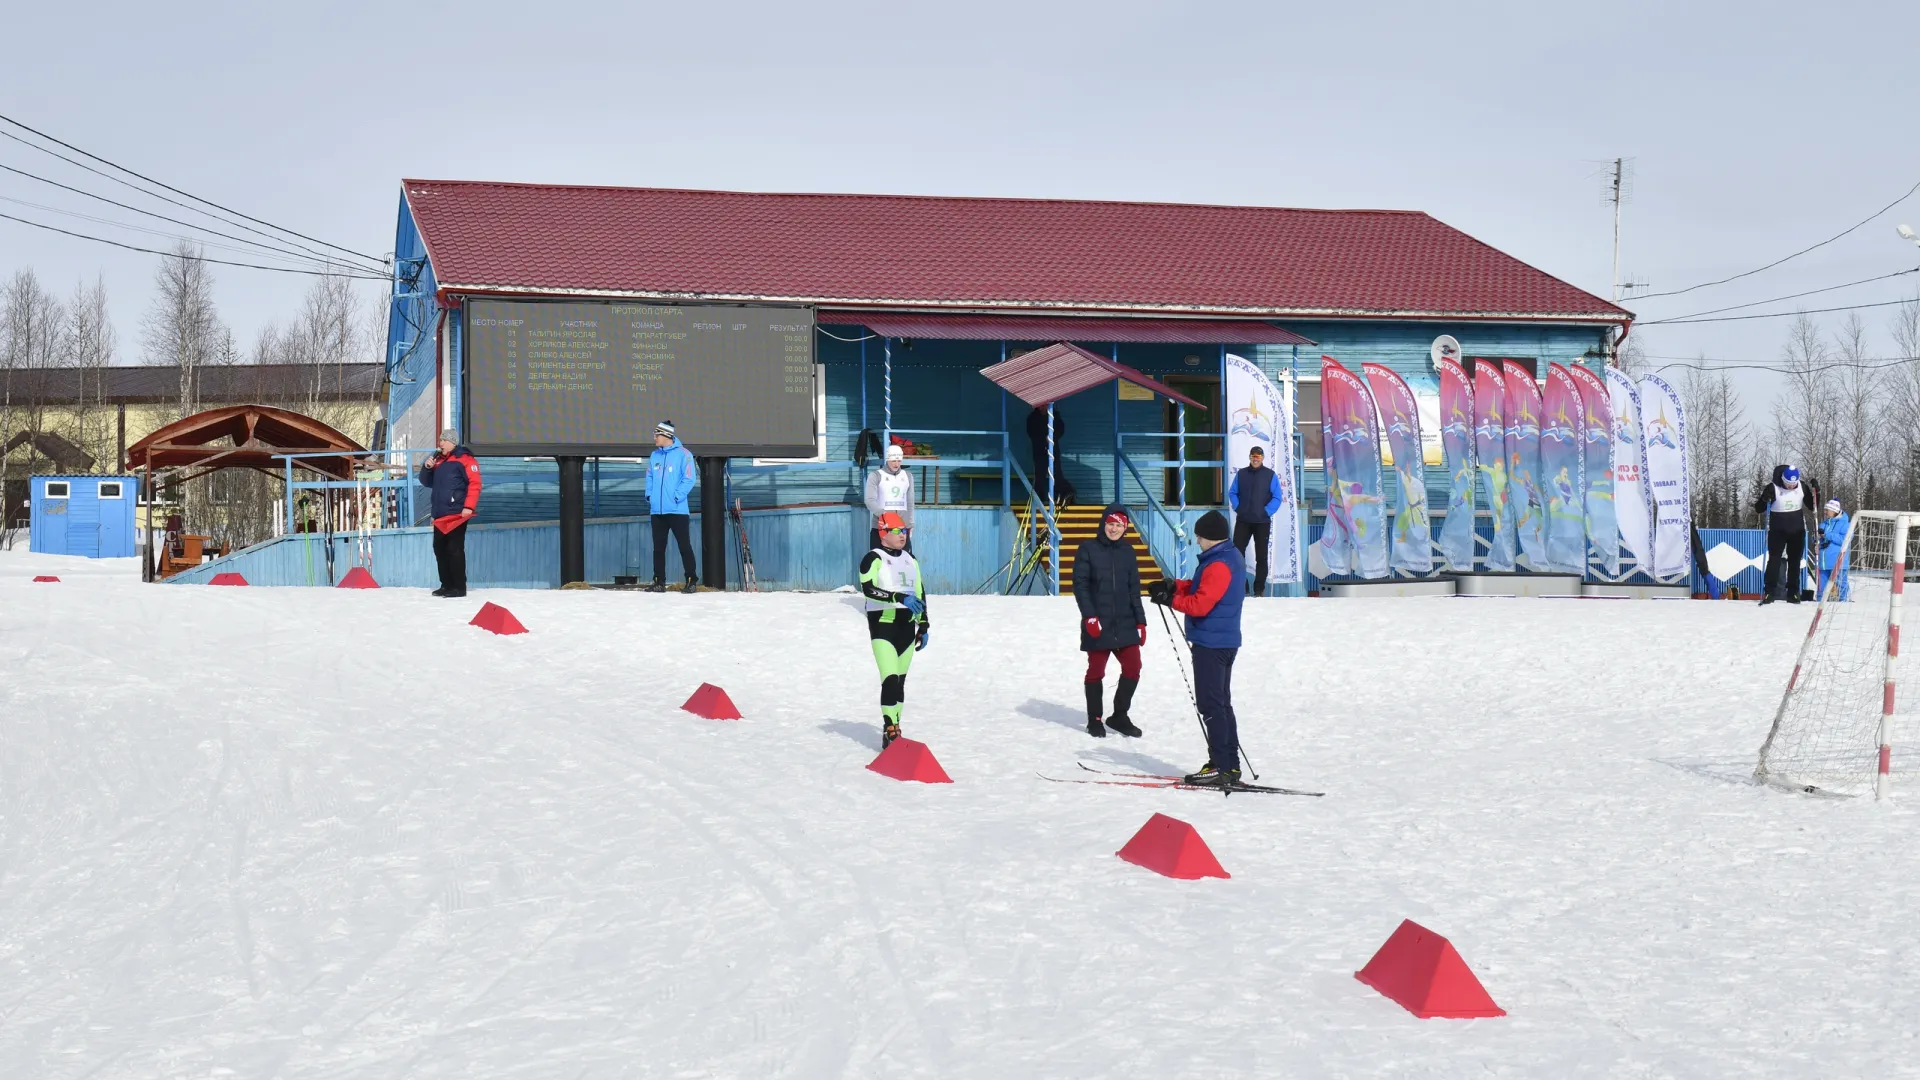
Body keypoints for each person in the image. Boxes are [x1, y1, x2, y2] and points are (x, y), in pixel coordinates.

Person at [1147, 510, 1245, 787]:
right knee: (1221, 704)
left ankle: (1222, 767)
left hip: (1211, 644)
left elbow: (1201, 604)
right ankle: (1228, 765)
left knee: (1212, 705)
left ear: (1210, 537)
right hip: (1221, 641)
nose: (1197, 540)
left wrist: (1170, 600)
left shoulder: (1218, 564)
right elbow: (1202, 588)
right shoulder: (1228, 556)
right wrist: (1174, 585)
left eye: (1199, 536)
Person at [1073, 504, 1147, 739]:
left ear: (1124, 528)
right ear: (1103, 523)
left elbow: (1134, 589)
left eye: (1118, 525)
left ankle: (1119, 716)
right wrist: (1090, 616)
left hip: (1124, 622)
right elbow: (1080, 586)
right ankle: (1094, 718)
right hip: (1099, 622)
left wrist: (1140, 621)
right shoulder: (1088, 549)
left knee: (1133, 667)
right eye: (1110, 524)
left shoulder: (1128, 552)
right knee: (1096, 670)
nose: (1113, 529)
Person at [859, 511, 929, 748]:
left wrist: (924, 624)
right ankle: (891, 728)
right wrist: (898, 597)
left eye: (905, 530)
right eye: (897, 531)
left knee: (899, 683)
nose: (903, 535)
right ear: (883, 534)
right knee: (889, 679)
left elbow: (920, 593)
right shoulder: (873, 558)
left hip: (907, 628)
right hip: (883, 626)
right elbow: (868, 589)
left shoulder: (911, 560)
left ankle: (895, 726)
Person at [418, 428, 481, 598]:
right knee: (439, 548)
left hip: (457, 513)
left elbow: (475, 484)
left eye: (443, 441)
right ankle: (446, 585)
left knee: (454, 549)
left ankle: (459, 587)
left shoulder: (465, 459)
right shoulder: (439, 461)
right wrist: (427, 468)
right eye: (440, 440)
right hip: (440, 513)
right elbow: (426, 482)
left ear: (452, 442)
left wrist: (469, 506)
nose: (440, 444)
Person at [646, 420, 700, 593]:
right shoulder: (654, 456)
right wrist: (650, 496)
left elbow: (689, 479)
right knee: (658, 549)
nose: (654, 437)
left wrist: (676, 496)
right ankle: (658, 582)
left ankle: (691, 581)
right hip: (657, 511)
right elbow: (649, 478)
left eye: (657, 434)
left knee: (684, 546)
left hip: (677, 510)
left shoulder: (684, 454)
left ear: (666, 435)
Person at [1227, 445, 1283, 596]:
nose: (1255, 459)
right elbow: (1232, 493)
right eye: (1253, 456)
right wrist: (1239, 507)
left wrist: (1266, 512)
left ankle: (1259, 589)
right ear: (1250, 458)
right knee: (1237, 554)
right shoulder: (1241, 474)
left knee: (1261, 556)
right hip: (1243, 520)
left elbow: (1277, 497)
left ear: (1263, 458)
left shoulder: (1270, 475)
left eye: (1258, 457)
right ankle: (1242, 587)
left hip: (1262, 522)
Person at [1752, 464, 1808, 605]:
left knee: (1795, 562)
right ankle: (1770, 592)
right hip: (1778, 530)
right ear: (1783, 479)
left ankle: (1793, 593)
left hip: (1797, 530)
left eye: (1793, 484)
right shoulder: (1773, 487)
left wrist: (1816, 493)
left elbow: (1813, 506)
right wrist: (1764, 499)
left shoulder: (1802, 486)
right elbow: (1758, 509)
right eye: (1788, 483)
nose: (1790, 486)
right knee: (1774, 561)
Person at [864, 443, 916, 550]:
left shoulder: (908, 476)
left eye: (899, 461)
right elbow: (869, 500)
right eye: (893, 461)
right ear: (887, 459)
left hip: (902, 528)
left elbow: (910, 502)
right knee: (880, 563)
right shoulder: (875, 476)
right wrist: (885, 515)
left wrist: (910, 524)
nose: (896, 464)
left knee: (905, 562)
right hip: (882, 528)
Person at [1025, 405, 1076, 506]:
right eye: (1041, 406)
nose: (1043, 408)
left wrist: (1052, 437)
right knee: (1039, 475)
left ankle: (1065, 495)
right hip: (1039, 451)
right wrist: (1042, 439)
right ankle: (1038, 500)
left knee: (1057, 474)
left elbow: (1060, 429)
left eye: (1045, 406)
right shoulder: (1032, 417)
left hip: (1053, 451)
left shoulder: (1054, 416)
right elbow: (1031, 432)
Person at [1817, 498, 1851, 601]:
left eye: (1828, 510)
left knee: (1841, 584)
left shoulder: (1846, 524)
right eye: (1825, 510)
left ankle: (1844, 601)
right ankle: (1819, 602)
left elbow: (1844, 540)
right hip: (1824, 562)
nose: (1825, 512)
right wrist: (1816, 538)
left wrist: (1827, 535)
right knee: (1821, 588)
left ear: (1835, 511)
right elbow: (1817, 538)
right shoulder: (1823, 524)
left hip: (1838, 561)